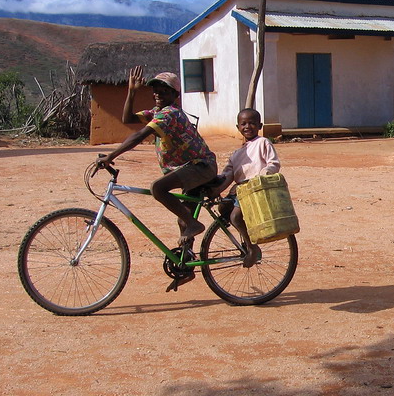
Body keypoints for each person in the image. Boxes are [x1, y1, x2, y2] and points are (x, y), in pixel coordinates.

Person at [97, 66, 218, 245]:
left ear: (175, 95)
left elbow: (140, 135)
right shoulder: (157, 112)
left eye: (164, 91)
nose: (158, 94)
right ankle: (186, 263)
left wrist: (111, 156)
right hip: (191, 168)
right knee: (182, 219)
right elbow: (127, 119)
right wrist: (131, 92)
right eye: (155, 90)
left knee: (158, 188)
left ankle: (194, 224)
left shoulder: (170, 114)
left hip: (200, 167)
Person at [214, 108, 281, 267]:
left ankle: (252, 248)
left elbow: (273, 163)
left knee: (236, 217)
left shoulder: (263, 142)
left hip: (256, 187)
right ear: (238, 127)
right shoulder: (237, 153)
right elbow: (228, 173)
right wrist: (216, 186)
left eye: (252, 123)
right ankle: (244, 241)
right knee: (223, 208)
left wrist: (264, 174)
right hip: (240, 189)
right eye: (243, 123)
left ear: (260, 125)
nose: (247, 126)